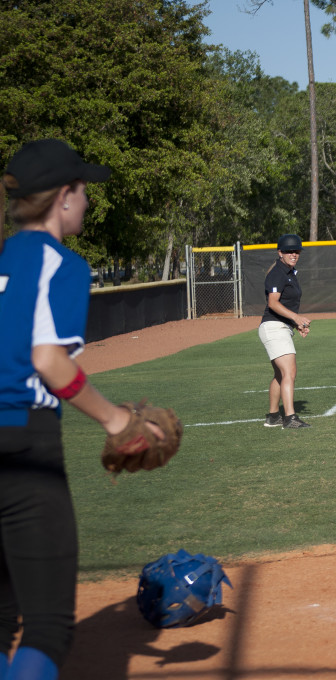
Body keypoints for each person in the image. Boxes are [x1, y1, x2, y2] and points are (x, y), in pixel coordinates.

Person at [0, 139, 171, 679]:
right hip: (23, 443)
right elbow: (48, 359)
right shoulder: (63, 265)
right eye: (83, 189)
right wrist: (117, 420)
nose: (88, 200)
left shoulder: (6, 258)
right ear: (63, 197)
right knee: (47, 627)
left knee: (2, 616)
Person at [259, 234, 313, 429]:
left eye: (296, 251)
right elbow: (272, 303)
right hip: (274, 327)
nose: (293, 254)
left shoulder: (289, 272)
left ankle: (273, 417)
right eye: (289, 251)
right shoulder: (278, 273)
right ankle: (290, 418)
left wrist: (296, 324)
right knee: (290, 371)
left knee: (281, 375)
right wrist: (296, 318)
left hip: (279, 327)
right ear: (279, 252)